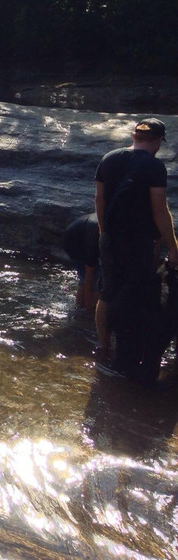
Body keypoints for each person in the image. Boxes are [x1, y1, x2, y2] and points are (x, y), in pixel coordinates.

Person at [94, 118, 178, 383]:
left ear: (134, 136)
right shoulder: (154, 166)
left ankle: (104, 345)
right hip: (139, 242)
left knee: (108, 292)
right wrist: (173, 247)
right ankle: (129, 355)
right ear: (157, 141)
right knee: (135, 295)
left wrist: (103, 233)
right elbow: (159, 209)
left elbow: (99, 198)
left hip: (110, 238)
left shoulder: (108, 158)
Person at [62, 212, 110, 358]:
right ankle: (86, 311)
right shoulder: (95, 237)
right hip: (74, 243)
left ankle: (81, 311)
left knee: (91, 279)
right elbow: (90, 272)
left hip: (78, 235)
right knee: (91, 280)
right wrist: (90, 306)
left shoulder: (110, 228)